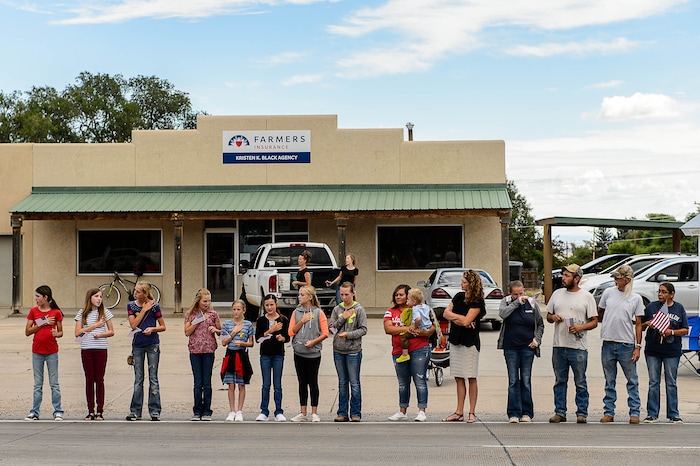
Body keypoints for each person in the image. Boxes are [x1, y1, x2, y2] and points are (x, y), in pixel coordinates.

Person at [546, 264, 598, 424]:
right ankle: (559, 412)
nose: (563, 278)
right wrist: (553, 317)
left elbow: (595, 321)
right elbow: (548, 315)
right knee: (560, 380)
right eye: (563, 275)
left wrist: (581, 326)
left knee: (580, 381)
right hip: (559, 345)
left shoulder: (586, 297)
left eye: (567, 275)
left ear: (576, 278)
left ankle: (582, 413)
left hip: (578, 347)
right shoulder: (557, 294)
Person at [597, 265, 644, 424]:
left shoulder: (635, 298)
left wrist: (638, 346)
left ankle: (635, 411)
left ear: (627, 280)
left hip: (626, 343)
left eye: (619, 278)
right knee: (609, 379)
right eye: (615, 278)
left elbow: (638, 323)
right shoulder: (608, 293)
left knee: (632, 379)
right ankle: (608, 411)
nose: (616, 281)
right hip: (608, 342)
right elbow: (600, 311)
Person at [384, 284, 435, 422]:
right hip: (399, 350)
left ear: (409, 296)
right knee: (402, 382)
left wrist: (422, 332)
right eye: (396, 295)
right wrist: (409, 329)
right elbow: (388, 329)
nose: (398, 297)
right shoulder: (391, 311)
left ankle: (421, 411)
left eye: (401, 294)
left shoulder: (419, 309)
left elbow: (432, 327)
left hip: (419, 348)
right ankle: (402, 411)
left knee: (419, 379)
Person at [442, 270, 486, 424]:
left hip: (470, 343)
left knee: (471, 377)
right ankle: (459, 412)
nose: (461, 284)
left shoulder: (477, 301)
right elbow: (445, 314)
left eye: (464, 281)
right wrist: (461, 319)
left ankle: (471, 412)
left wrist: (458, 318)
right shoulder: (458, 297)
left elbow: (467, 322)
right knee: (458, 377)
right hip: (456, 340)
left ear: (471, 283)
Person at [641, 282, 689, 423]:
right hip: (653, 349)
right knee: (653, 382)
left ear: (671, 294)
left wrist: (671, 331)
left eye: (664, 292)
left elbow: (685, 329)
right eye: (659, 291)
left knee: (671, 382)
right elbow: (641, 325)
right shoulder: (652, 307)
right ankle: (652, 413)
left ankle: (673, 414)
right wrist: (647, 323)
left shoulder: (678, 308)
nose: (660, 294)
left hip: (671, 350)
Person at [497, 280, 544, 423]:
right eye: (515, 294)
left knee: (525, 380)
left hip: (527, 347)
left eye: (521, 293)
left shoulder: (532, 303)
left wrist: (536, 340)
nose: (519, 296)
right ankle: (513, 412)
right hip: (511, 347)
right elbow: (503, 314)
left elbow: (540, 324)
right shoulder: (506, 302)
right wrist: (517, 303)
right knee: (513, 380)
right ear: (510, 294)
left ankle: (527, 412)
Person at [126, 281, 167, 421]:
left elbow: (163, 326)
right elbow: (133, 325)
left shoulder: (155, 306)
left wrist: (153, 329)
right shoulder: (131, 306)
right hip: (138, 344)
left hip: (152, 343)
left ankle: (155, 410)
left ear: (145, 293)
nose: (135, 293)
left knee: (153, 378)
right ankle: (135, 410)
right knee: (138, 379)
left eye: (138, 292)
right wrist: (143, 310)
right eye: (135, 291)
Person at [288, 285, 329, 422]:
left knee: (313, 382)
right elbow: (291, 332)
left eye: (302, 295)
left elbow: (325, 333)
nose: (299, 297)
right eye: (299, 294)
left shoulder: (318, 313)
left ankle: (314, 412)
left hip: (313, 353)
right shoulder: (296, 312)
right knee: (302, 382)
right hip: (299, 352)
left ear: (310, 297)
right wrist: (302, 321)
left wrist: (313, 342)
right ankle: (303, 412)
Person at [74, 288, 115, 421]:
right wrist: (94, 326)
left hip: (100, 348)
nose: (99, 299)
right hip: (86, 348)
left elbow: (111, 331)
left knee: (99, 379)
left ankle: (100, 410)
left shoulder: (104, 313)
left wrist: (101, 334)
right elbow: (78, 333)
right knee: (89, 379)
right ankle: (90, 410)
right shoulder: (82, 313)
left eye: (101, 297)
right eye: (96, 296)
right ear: (90, 298)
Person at [329, 282, 368, 422]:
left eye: (347, 294)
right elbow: (331, 330)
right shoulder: (336, 310)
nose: (344, 297)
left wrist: (349, 334)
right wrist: (342, 318)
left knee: (354, 382)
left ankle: (355, 413)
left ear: (353, 293)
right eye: (342, 294)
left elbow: (363, 329)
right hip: (338, 350)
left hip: (353, 350)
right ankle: (342, 412)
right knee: (342, 382)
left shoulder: (359, 309)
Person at [25, 285, 64, 421]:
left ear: (45, 297)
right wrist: (43, 322)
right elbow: (28, 331)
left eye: (38, 296)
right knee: (37, 383)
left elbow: (61, 332)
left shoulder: (56, 313)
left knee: (54, 383)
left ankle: (58, 411)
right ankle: (34, 412)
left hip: (52, 351)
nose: (36, 299)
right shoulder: (33, 311)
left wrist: (56, 334)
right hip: (37, 351)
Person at [184, 288, 221, 421]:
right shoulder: (190, 314)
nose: (207, 303)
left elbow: (220, 330)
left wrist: (215, 329)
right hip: (195, 350)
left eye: (209, 301)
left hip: (208, 350)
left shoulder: (213, 314)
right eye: (205, 301)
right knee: (197, 382)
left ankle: (207, 410)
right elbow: (187, 332)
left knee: (207, 382)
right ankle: (197, 410)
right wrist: (198, 320)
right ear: (198, 301)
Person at [255, 294, 290, 422]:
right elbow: (258, 338)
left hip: (278, 355)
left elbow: (287, 337)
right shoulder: (261, 320)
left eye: (271, 304)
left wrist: (283, 338)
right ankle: (264, 411)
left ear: (276, 304)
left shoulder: (283, 319)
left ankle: (279, 411)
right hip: (265, 354)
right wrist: (271, 330)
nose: (269, 307)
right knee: (266, 384)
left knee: (277, 384)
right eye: (267, 305)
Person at [221, 300, 254, 422]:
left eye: (238, 309)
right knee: (231, 384)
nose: (236, 312)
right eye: (234, 309)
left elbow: (251, 343)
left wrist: (242, 343)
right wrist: (233, 332)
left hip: (242, 355)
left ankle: (240, 410)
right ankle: (232, 410)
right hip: (230, 355)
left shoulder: (248, 324)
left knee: (241, 384)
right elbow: (224, 342)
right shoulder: (226, 324)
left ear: (243, 310)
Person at [397, 288, 432, 363]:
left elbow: (418, 319)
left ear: (414, 301)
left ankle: (405, 354)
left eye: (408, 300)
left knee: (403, 337)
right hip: (427, 327)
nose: (407, 301)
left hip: (420, 327)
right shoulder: (425, 306)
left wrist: (414, 327)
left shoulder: (415, 309)